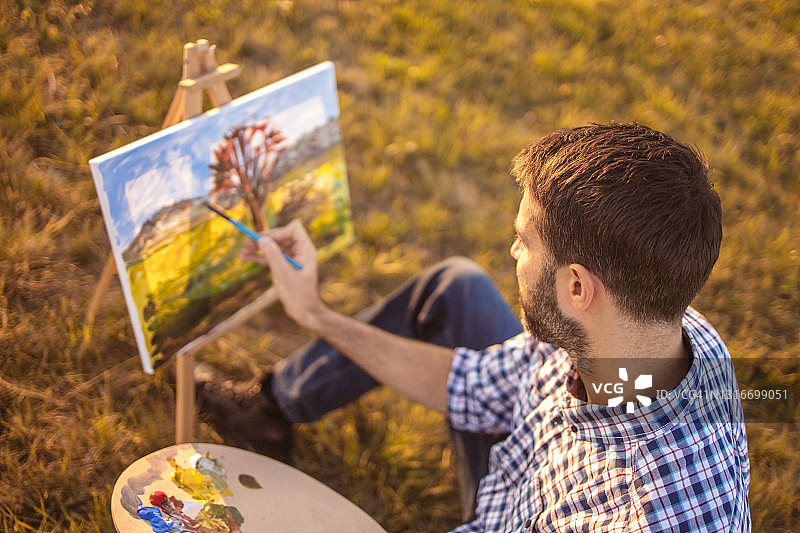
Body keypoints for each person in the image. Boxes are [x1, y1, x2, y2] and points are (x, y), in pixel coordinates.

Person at [197, 123, 751, 532]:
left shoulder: (634, 516)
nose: (512, 250)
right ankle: (269, 411)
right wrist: (315, 314)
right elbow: (474, 381)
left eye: (524, 241)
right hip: (522, 486)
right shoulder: (648, 327)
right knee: (458, 287)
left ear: (578, 288)